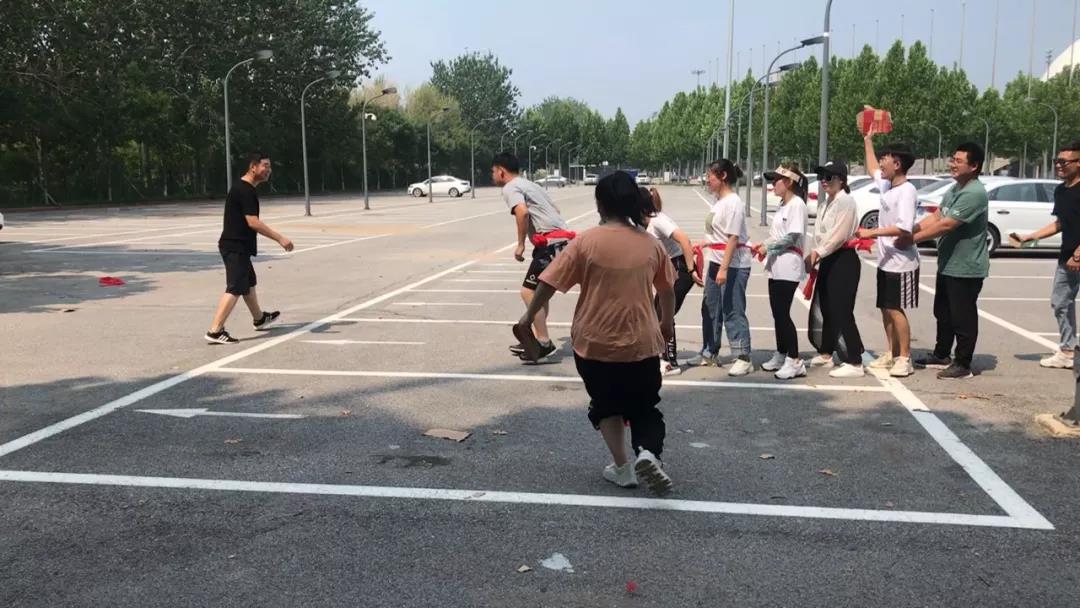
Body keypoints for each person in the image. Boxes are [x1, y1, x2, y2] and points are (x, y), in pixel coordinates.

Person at [515, 171, 676, 495]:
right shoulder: (650, 244)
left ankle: (623, 468)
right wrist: (666, 324)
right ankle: (648, 452)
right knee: (644, 407)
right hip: (641, 342)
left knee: (606, 405)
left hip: (594, 343)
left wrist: (528, 317)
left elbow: (548, 283)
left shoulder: (585, 242)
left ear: (600, 203)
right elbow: (667, 290)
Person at [910, 143, 989, 380]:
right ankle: (942, 354)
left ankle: (963, 363)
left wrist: (911, 240)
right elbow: (938, 216)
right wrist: (910, 230)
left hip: (966, 267)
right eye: (952, 159)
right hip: (948, 263)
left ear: (974, 166)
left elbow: (947, 225)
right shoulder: (956, 188)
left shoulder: (974, 193)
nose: (952, 164)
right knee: (943, 312)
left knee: (962, 317)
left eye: (958, 161)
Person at [492, 152, 574, 362]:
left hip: (550, 244)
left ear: (501, 171)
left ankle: (544, 343)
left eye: (493, 171)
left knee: (528, 292)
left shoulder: (510, 187)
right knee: (540, 293)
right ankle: (538, 339)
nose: (492, 175)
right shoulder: (531, 185)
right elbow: (555, 209)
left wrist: (520, 244)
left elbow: (522, 212)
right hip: (560, 241)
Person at [205, 153, 293, 344]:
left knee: (249, 283)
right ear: (253, 167)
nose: (268, 170)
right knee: (235, 287)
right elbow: (253, 222)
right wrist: (280, 238)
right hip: (234, 246)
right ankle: (215, 330)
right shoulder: (245, 190)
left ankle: (259, 318)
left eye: (269, 166)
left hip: (239, 246)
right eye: (265, 166)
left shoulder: (244, 188)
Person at [855, 131, 919, 377]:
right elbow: (872, 167)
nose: (881, 163)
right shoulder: (887, 186)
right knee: (885, 307)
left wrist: (871, 233)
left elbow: (903, 227)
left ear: (898, 164)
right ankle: (891, 353)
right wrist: (867, 141)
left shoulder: (907, 191)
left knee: (895, 309)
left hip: (901, 262)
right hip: (886, 261)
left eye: (885, 159)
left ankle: (905, 357)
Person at [1015, 141, 1080, 370]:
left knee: (1062, 302)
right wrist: (1030, 237)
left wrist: (1078, 254)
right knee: (1060, 302)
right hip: (1067, 257)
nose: (1059, 165)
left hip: (1076, 256)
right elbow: (1061, 223)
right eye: (1056, 161)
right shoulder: (1061, 190)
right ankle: (1068, 350)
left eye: (1064, 162)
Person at [807, 160, 867, 378]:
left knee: (842, 309)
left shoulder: (846, 202)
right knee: (826, 307)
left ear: (841, 180)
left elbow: (839, 235)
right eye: (821, 177)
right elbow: (820, 234)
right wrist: (816, 253)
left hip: (843, 260)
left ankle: (855, 360)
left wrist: (818, 252)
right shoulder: (826, 203)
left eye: (829, 177)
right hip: (828, 259)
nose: (824, 181)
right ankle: (826, 352)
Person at [754, 164, 809, 380]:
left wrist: (769, 247)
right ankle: (782, 352)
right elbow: (777, 235)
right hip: (776, 265)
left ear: (789, 182)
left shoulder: (797, 205)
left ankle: (794, 360)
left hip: (788, 266)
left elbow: (792, 237)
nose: (773, 184)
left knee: (783, 313)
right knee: (777, 313)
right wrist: (764, 244)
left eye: (776, 180)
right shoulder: (783, 205)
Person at [698, 159, 754, 376]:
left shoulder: (734, 203)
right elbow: (717, 234)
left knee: (732, 308)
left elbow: (732, 238)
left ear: (722, 176)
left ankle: (743, 356)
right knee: (710, 307)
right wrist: (705, 244)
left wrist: (723, 269)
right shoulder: (718, 201)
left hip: (734, 264)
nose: (707, 180)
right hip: (716, 261)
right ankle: (709, 352)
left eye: (710, 176)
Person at [643, 187, 701, 376]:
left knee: (664, 314)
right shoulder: (645, 223)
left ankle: (670, 362)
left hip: (681, 269)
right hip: (669, 270)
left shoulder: (658, 221)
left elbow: (685, 240)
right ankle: (660, 356)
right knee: (656, 312)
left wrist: (691, 270)